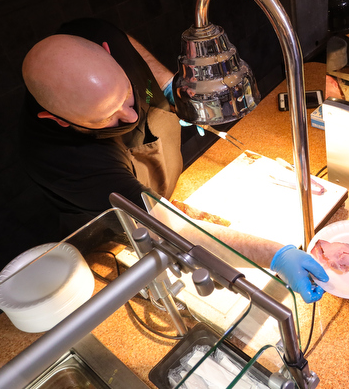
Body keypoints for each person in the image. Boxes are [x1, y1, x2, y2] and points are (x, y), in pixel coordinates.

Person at [20, 18, 329, 303]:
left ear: (108, 53)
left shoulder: (96, 35)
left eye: (126, 95)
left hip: (161, 187)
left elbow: (125, 40)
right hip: (115, 231)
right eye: (106, 118)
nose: (130, 115)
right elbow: (166, 227)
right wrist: (276, 255)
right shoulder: (63, 160)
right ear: (58, 120)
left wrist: (169, 85)